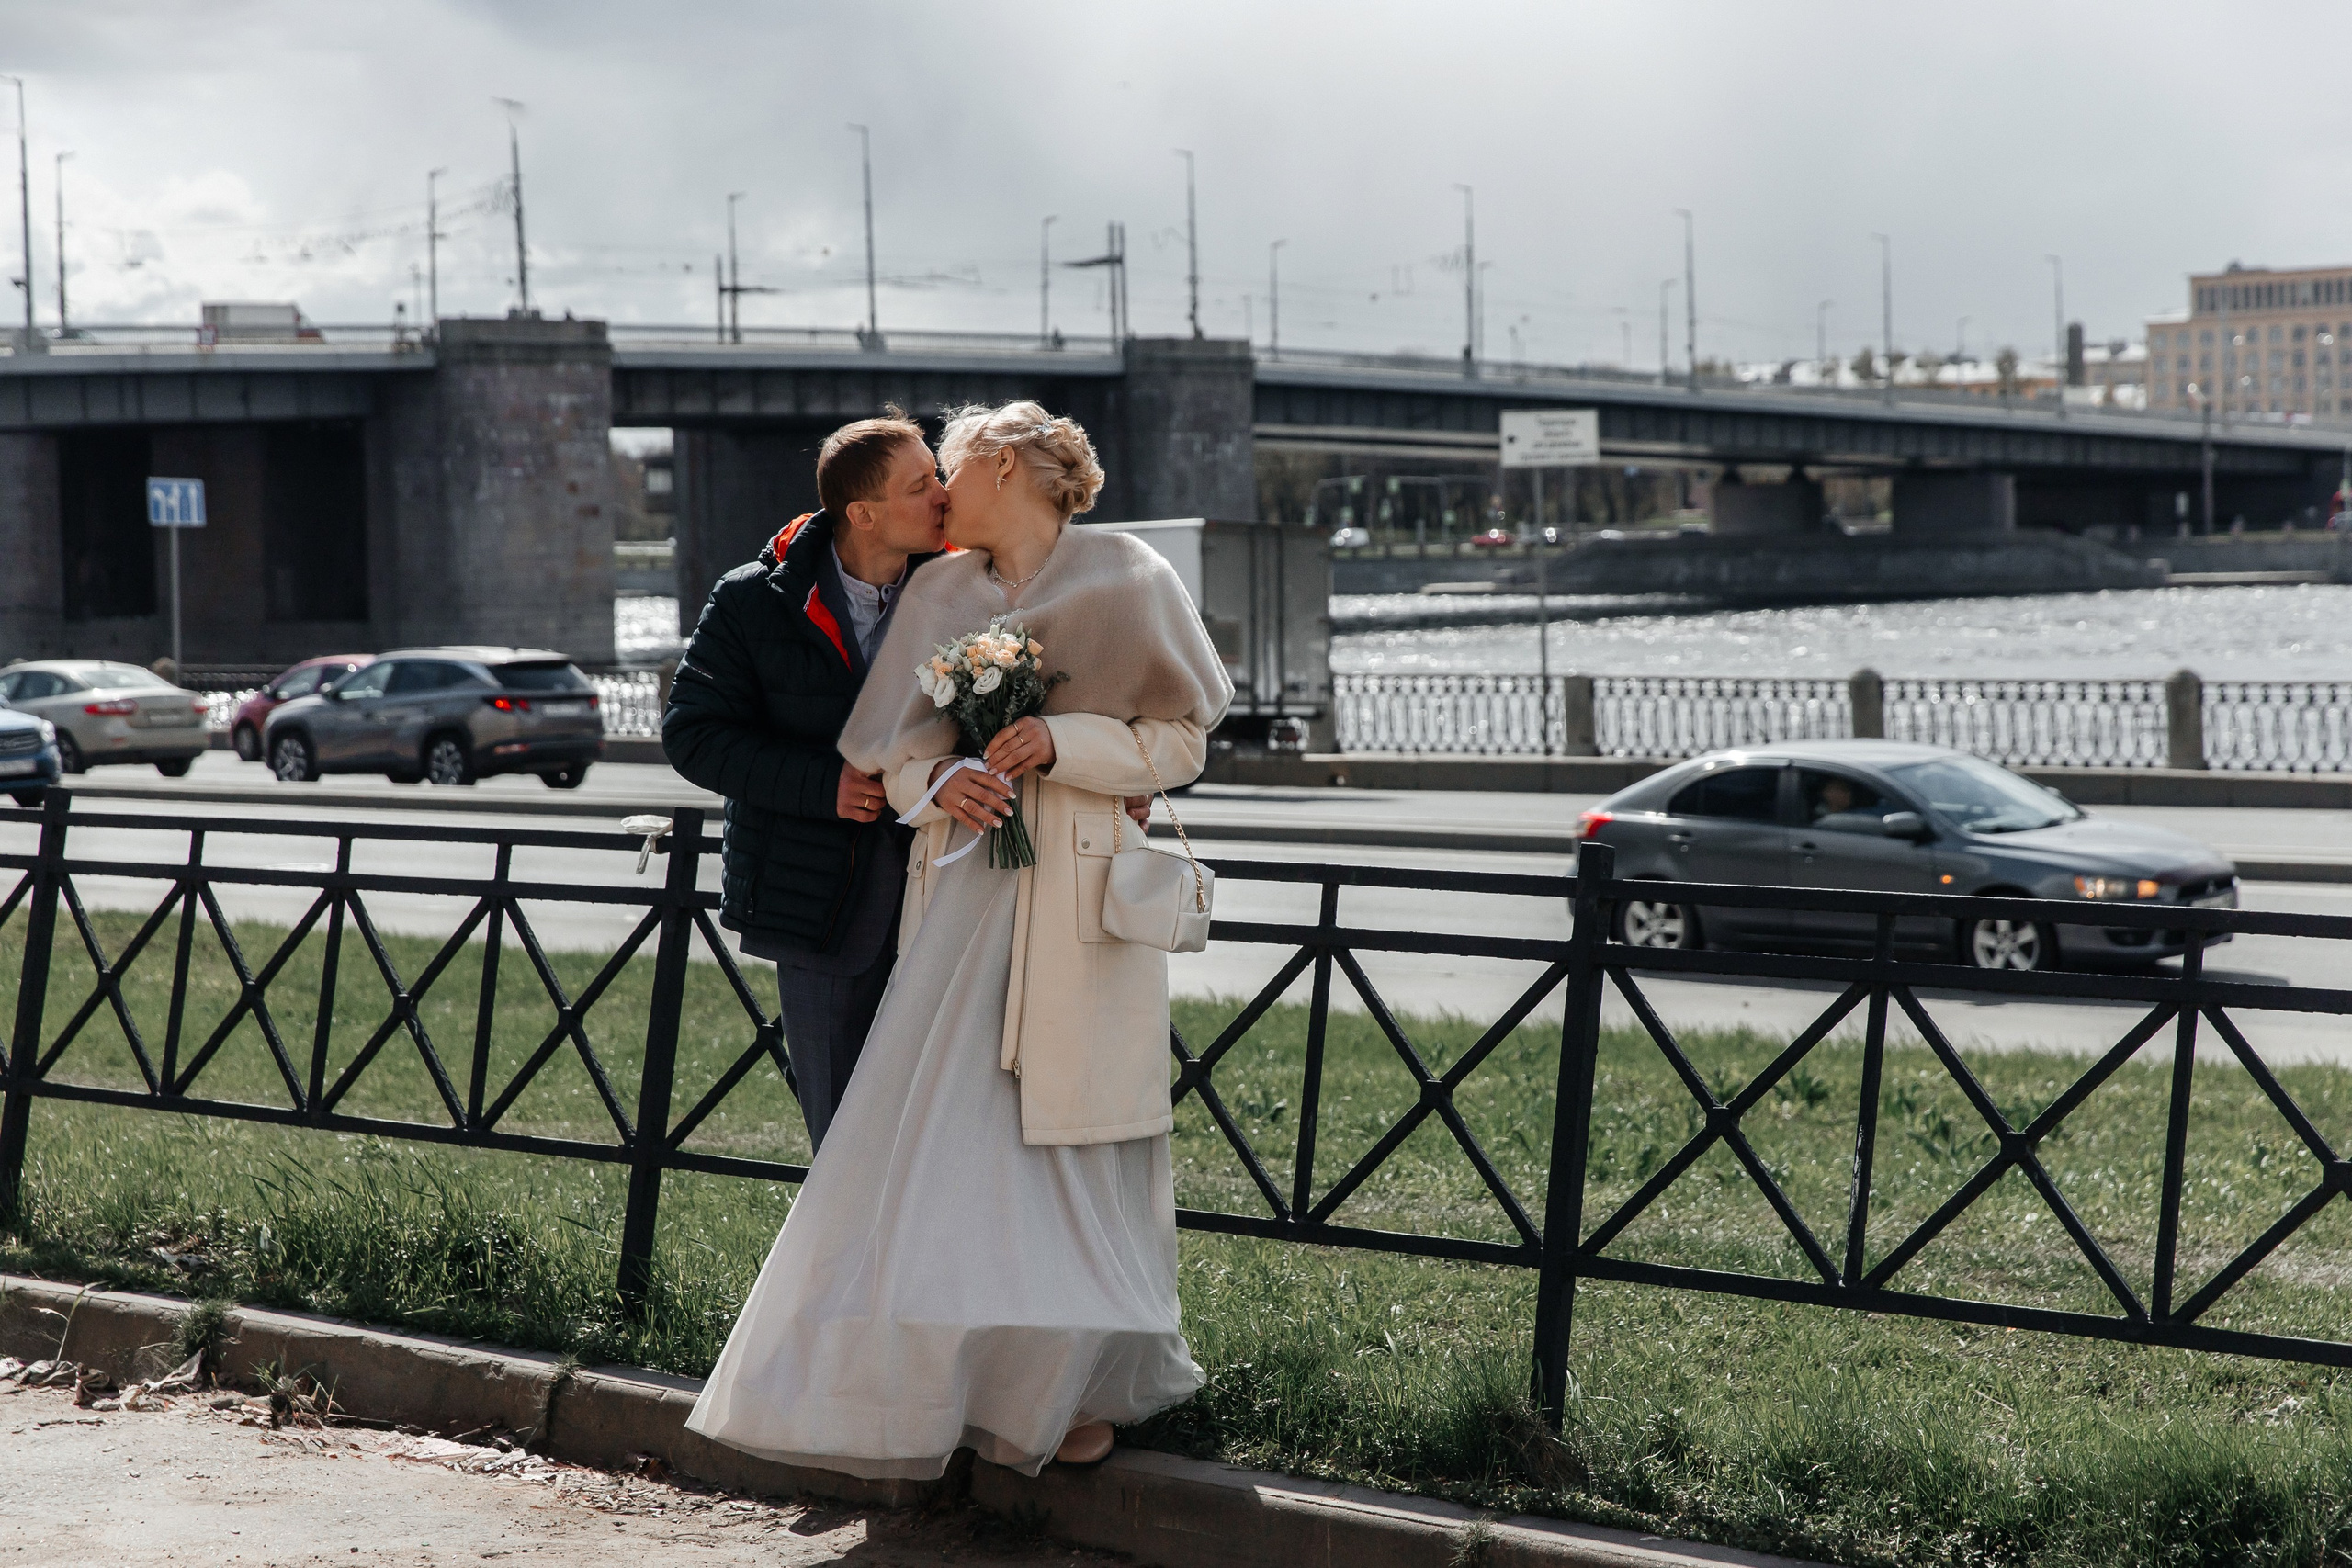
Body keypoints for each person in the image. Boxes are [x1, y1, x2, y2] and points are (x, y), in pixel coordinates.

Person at [686, 400, 1232, 1477]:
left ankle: (1063, 1391)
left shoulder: (1126, 573)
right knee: (949, 1155)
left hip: (1077, 916)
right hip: (955, 904)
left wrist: (1066, 743)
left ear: (1008, 473)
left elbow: (1181, 741)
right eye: (926, 476)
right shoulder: (940, 590)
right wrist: (939, 777)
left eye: (956, 468)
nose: (942, 488)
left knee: (1066, 1155)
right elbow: (890, 756)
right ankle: (937, 1392)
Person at [661, 412, 947, 1153]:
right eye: (922, 484)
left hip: (950, 901)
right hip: (819, 908)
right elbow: (692, 736)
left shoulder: (962, 588)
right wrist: (824, 785)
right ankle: (841, 1273)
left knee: (943, 1140)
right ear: (864, 513)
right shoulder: (753, 600)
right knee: (846, 1138)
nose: (943, 494)